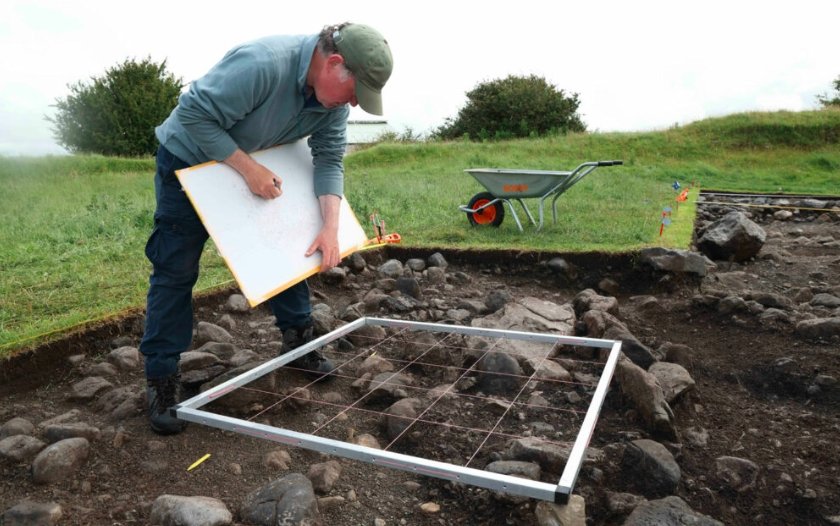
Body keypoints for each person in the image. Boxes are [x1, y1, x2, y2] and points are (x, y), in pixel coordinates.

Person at [139, 23, 393, 435]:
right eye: (354, 93)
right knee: (176, 267)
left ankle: (298, 341)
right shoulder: (262, 65)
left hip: (253, 163)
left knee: (289, 244)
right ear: (334, 63)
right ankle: (161, 379)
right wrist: (249, 168)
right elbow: (193, 114)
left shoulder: (333, 105)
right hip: (187, 161)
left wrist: (330, 228)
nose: (354, 105)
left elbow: (329, 159)